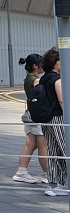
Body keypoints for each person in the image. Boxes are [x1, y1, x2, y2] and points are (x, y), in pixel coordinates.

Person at [35, 48, 68, 196]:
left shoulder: (43, 78)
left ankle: (53, 185)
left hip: (46, 119)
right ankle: (64, 183)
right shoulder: (57, 79)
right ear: (55, 63)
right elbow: (61, 100)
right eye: (61, 60)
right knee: (66, 150)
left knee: (53, 151)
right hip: (58, 118)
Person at [13, 54, 48, 184]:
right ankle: (48, 174)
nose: (43, 66)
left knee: (30, 145)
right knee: (43, 145)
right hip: (38, 116)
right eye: (41, 63)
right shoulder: (36, 80)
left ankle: (21, 172)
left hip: (30, 115)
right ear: (35, 66)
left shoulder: (29, 78)